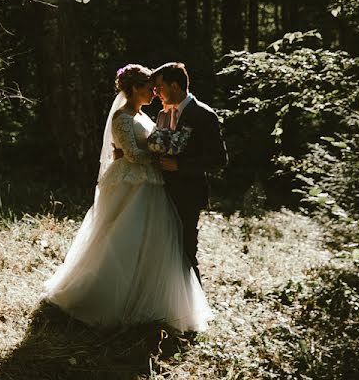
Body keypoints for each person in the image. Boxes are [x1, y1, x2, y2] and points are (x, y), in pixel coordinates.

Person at [42, 64, 211, 332]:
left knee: (153, 243)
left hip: (151, 184)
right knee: (123, 239)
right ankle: (109, 298)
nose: (154, 93)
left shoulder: (144, 115)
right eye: (149, 88)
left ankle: (148, 298)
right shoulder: (122, 118)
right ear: (134, 89)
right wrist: (159, 158)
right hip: (132, 186)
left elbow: (154, 141)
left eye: (156, 88)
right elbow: (132, 154)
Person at [150, 62, 228, 283]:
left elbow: (219, 159)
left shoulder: (203, 114)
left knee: (186, 251)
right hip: (161, 192)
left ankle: (194, 309)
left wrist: (180, 166)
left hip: (188, 194)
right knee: (163, 250)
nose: (156, 94)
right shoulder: (162, 115)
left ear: (174, 85)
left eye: (159, 88)